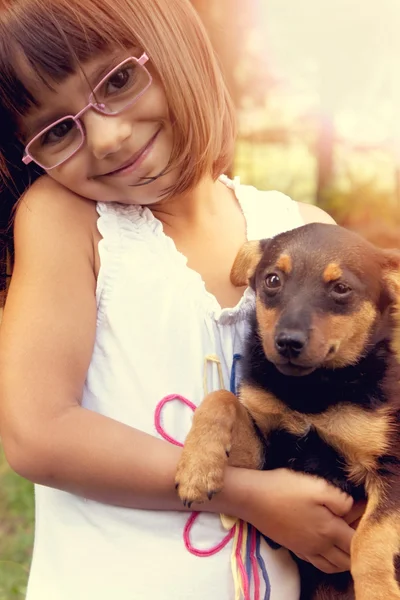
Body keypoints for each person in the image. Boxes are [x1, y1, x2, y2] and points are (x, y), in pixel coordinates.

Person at [0, 0, 363, 598]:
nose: (109, 137)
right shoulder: (67, 221)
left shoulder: (298, 228)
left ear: (176, 41)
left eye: (118, 80)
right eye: (59, 129)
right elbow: (38, 432)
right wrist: (250, 496)